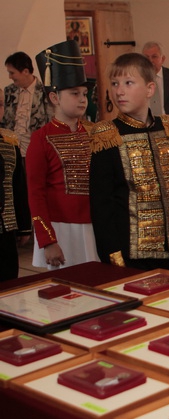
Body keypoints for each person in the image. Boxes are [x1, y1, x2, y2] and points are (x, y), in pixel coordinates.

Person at [88, 52, 169, 274]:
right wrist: (114, 260)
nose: (119, 91)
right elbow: (102, 207)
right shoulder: (107, 136)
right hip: (132, 258)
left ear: (150, 89)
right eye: (115, 83)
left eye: (128, 83)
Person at [27, 40, 99, 270]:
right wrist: (47, 240)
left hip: (96, 225)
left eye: (84, 93)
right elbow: (35, 193)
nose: (82, 99)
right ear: (54, 98)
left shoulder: (96, 134)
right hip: (62, 230)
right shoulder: (41, 138)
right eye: (75, 93)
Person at [1, 51, 51, 159]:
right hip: (12, 153)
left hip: (36, 152)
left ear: (25, 71)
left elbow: (49, 123)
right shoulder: (9, 91)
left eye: (12, 73)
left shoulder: (45, 92)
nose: (9, 76)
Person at [0, 128, 31, 281]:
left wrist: (24, 227)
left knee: (8, 281)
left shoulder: (9, 141)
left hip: (7, 225)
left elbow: (18, 186)